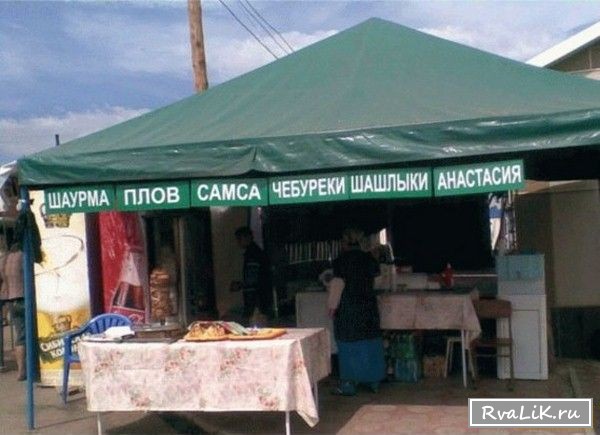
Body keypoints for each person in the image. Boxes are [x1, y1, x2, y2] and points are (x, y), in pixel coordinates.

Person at [330, 228, 386, 396]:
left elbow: (337, 286)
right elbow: (378, 282)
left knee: (349, 347)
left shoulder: (340, 261)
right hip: (368, 308)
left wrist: (332, 307)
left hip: (348, 310)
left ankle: (348, 384)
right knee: (370, 343)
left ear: (345, 242)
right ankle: (374, 381)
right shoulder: (369, 259)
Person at [232, 226, 273, 324]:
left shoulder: (252, 255)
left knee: (255, 324)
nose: (238, 242)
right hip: (261, 298)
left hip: (256, 299)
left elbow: (252, 279)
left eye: (239, 239)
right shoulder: (256, 252)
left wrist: (240, 285)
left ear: (247, 238)